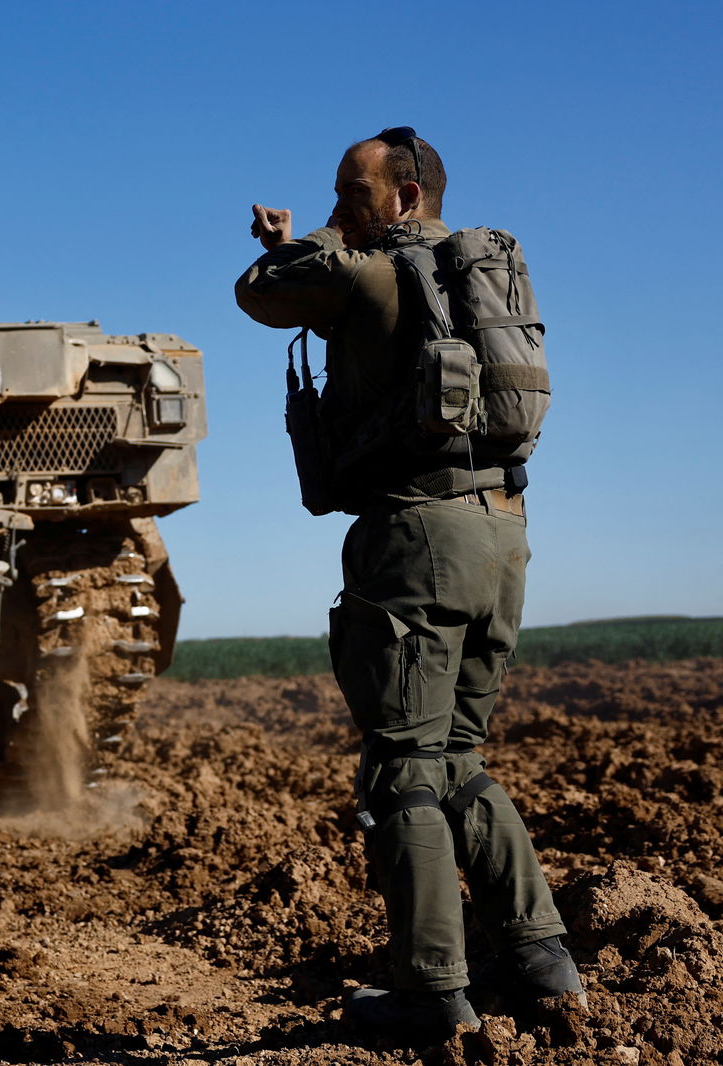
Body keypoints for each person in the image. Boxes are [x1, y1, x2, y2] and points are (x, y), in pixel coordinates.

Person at [234, 128, 584, 1041]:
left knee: (401, 771)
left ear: (406, 197)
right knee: (458, 757)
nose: (341, 206)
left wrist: (306, 238)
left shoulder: (367, 275)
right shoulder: (466, 284)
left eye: (353, 192)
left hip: (417, 541)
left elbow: (257, 293)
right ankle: (543, 958)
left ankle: (430, 996)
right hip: (502, 534)